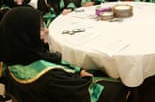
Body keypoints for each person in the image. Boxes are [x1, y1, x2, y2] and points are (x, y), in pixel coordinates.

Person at [0, 6, 129, 102]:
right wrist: (84, 76)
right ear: (24, 36)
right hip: (72, 93)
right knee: (119, 85)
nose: (46, 30)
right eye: (40, 28)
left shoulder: (12, 63)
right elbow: (85, 94)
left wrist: (79, 71)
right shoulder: (49, 78)